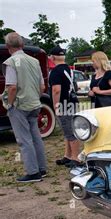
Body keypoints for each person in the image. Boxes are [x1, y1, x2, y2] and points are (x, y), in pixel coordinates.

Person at [1, 32, 47, 183]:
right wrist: (36, 97)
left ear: (8, 47)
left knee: (24, 140)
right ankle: (42, 168)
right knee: (36, 137)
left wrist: (9, 104)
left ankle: (33, 172)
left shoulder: (11, 62)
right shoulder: (34, 61)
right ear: (21, 45)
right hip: (34, 103)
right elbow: (42, 86)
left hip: (20, 105)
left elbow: (12, 87)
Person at [48, 45, 81, 168]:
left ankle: (75, 158)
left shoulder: (55, 71)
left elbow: (56, 90)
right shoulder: (69, 69)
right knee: (68, 131)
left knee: (69, 130)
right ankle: (68, 156)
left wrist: (56, 106)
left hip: (63, 104)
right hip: (72, 101)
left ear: (53, 57)